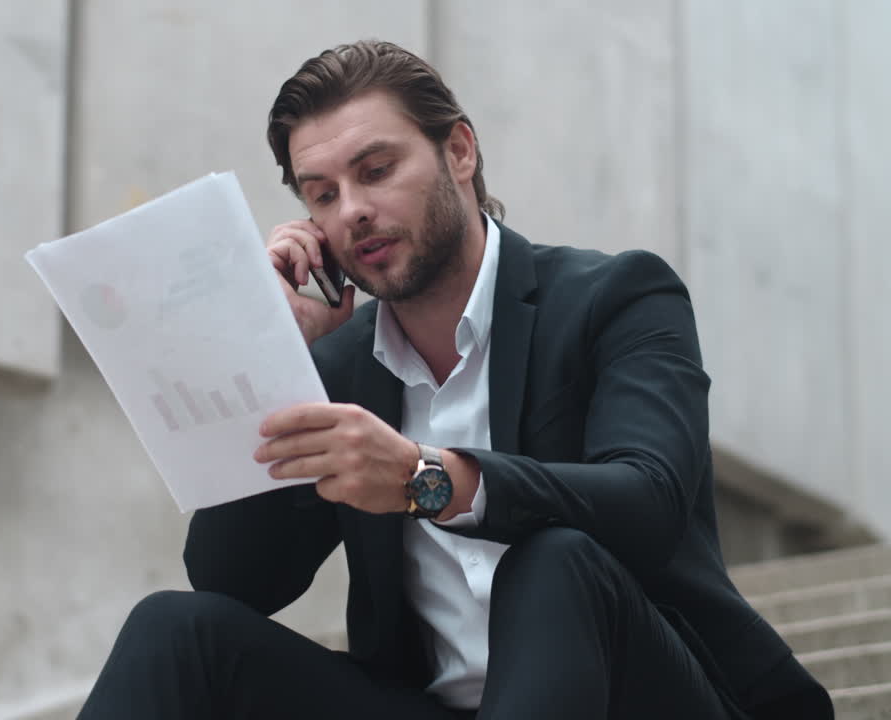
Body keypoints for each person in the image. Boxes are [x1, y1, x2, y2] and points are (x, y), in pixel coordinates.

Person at [77, 40, 833, 719]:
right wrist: (270, 356)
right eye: (323, 193)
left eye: (376, 171)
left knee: (554, 559)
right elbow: (232, 580)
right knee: (174, 631)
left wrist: (427, 479)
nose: (355, 211)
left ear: (460, 152)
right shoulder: (338, 372)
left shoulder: (617, 297)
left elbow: (649, 502)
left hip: (645, 697)